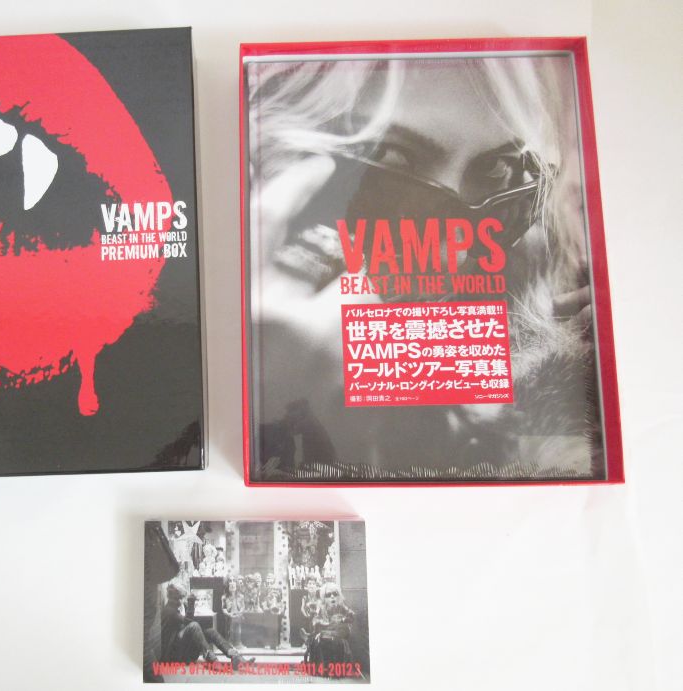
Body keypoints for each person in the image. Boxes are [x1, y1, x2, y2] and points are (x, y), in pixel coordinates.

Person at [247, 52, 601, 481]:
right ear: (264, 163)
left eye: (496, 170)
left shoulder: (560, 327)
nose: (452, 258)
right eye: (388, 160)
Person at [160, 581, 254, 670]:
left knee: (210, 631)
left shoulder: (176, 607)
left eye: (182, 598)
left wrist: (190, 605)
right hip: (176, 656)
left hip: (183, 649)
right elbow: (188, 622)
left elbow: (186, 624)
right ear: (172, 598)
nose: (181, 600)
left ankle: (235, 656)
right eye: (179, 598)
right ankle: (211, 659)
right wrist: (191, 602)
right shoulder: (169, 611)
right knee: (194, 625)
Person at [305, 582, 354, 665]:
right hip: (324, 639)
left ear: (338, 596)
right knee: (318, 641)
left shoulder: (342, 607)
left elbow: (350, 618)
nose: (332, 596)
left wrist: (342, 620)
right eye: (328, 595)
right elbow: (315, 623)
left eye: (335, 594)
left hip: (338, 638)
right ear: (324, 598)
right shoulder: (321, 608)